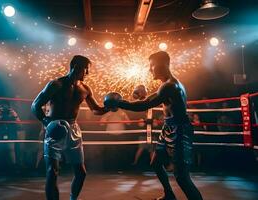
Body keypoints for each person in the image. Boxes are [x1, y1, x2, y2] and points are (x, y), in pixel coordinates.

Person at [105, 51, 203, 200]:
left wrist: (119, 103)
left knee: (182, 178)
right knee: (156, 162)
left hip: (180, 130)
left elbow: (145, 104)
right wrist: (136, 99)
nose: (149, 69)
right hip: (169, 127)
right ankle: (169, 195)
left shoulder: (170, 85)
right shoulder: (166, 85)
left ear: (163, 64)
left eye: (152, 65)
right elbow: (150, 99)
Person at [31, 55, 109, 200]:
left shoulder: (85, 88)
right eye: (86, 70)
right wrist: (47, 123)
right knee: (52, 171)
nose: (88, 73)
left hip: (73, 129)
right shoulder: (56, 84)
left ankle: (73, 198)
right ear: (76, 67)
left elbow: (96, 110)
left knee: (81, 173)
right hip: (55, 128)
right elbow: (35, 105)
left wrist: (110, 106)